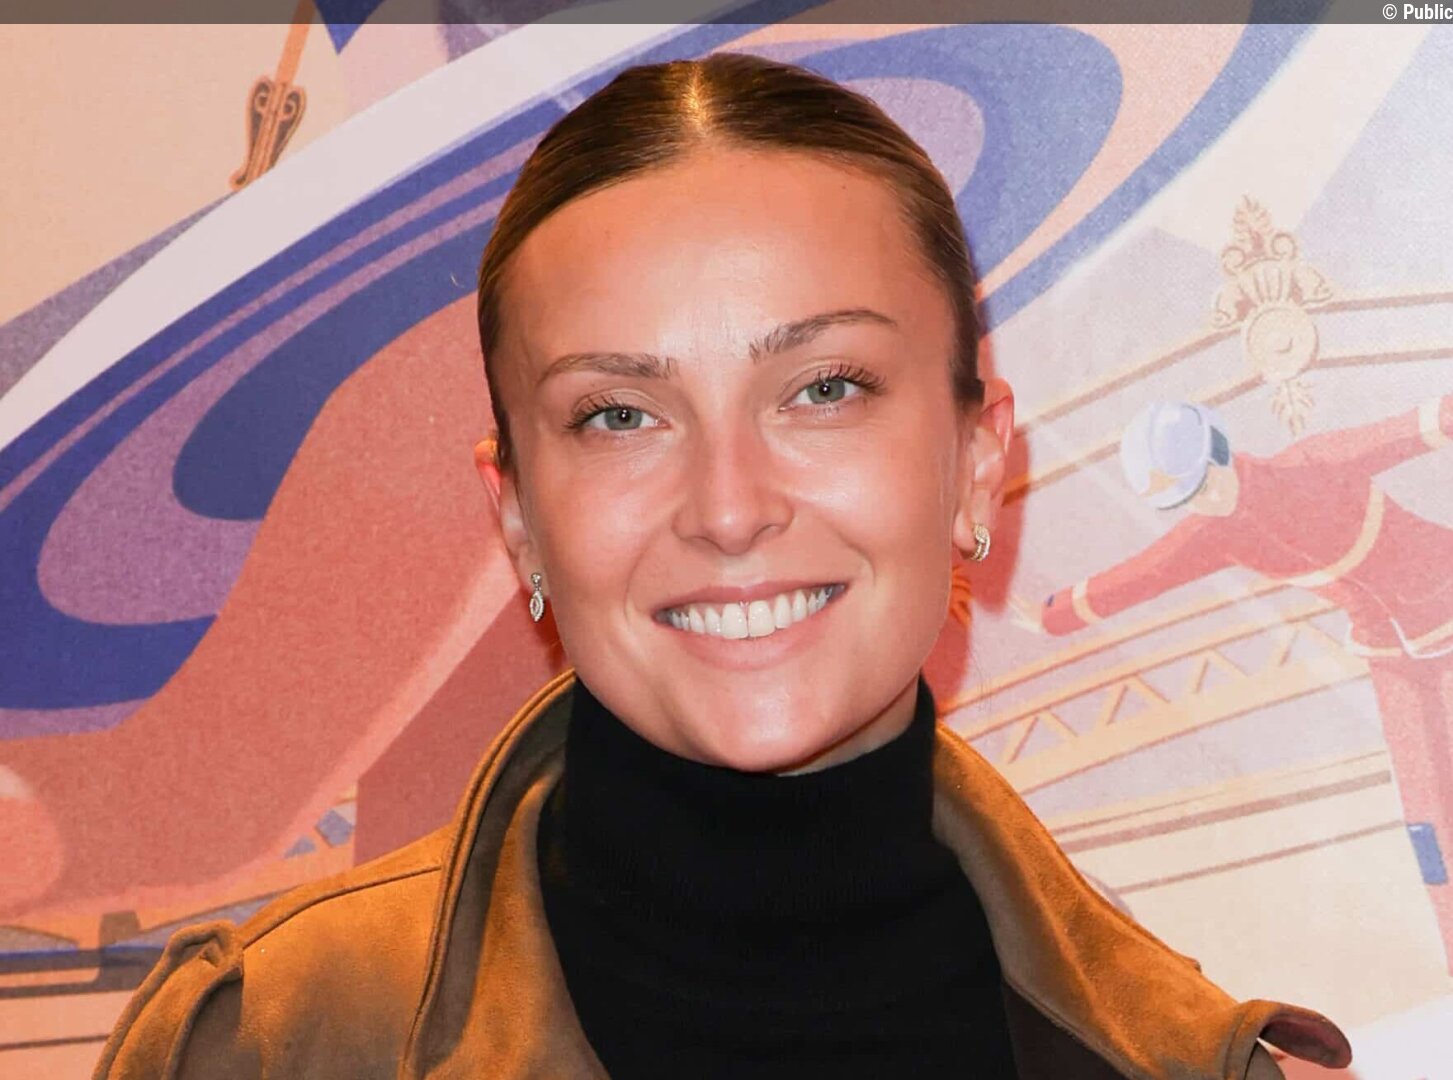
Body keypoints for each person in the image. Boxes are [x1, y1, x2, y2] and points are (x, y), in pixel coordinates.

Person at [93, 53, 1351, 1079]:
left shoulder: (1193, 1068)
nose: (730, 508)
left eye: (823, 388)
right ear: (518, 519)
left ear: (975, 465)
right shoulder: (269, 1047)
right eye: (618, 415)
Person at [1045, 395, 1453, 974]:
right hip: (1386, 647)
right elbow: (1145, 573)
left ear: (1221, 450)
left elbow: (1415, 427)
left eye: (1204, 484)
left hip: (1445, 597)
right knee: (1425, 815)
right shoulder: (1216, 534)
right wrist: (1054, 614)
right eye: (1188, 498)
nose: (1205, 502)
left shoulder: (1313, 461)